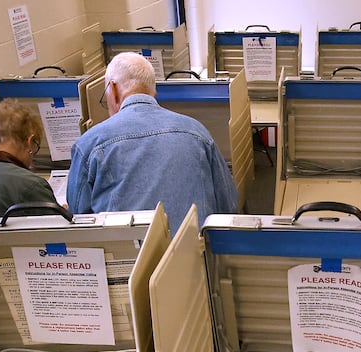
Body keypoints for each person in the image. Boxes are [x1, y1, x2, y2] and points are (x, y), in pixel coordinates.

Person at [66, 52, 238, 234]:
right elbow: (229, 204)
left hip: (130, 260)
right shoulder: (197, 131)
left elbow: (80, 224)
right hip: (194, 258)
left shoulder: (88, 144)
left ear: (113, 89)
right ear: (153, 91)